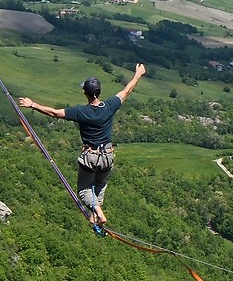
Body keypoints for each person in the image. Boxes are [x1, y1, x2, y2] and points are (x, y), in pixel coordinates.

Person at [18, 63, 144, 228]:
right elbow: (127, 90)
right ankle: (96, 214)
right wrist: (138, 74)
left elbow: (54, 113)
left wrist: (32, 104)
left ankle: (98, 212)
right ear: (98, 92)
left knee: (84, 191)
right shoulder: (109, 106)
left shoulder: (81, 112)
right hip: (108, 155)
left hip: (91, 156)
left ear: (86, 93)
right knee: (99, 185)